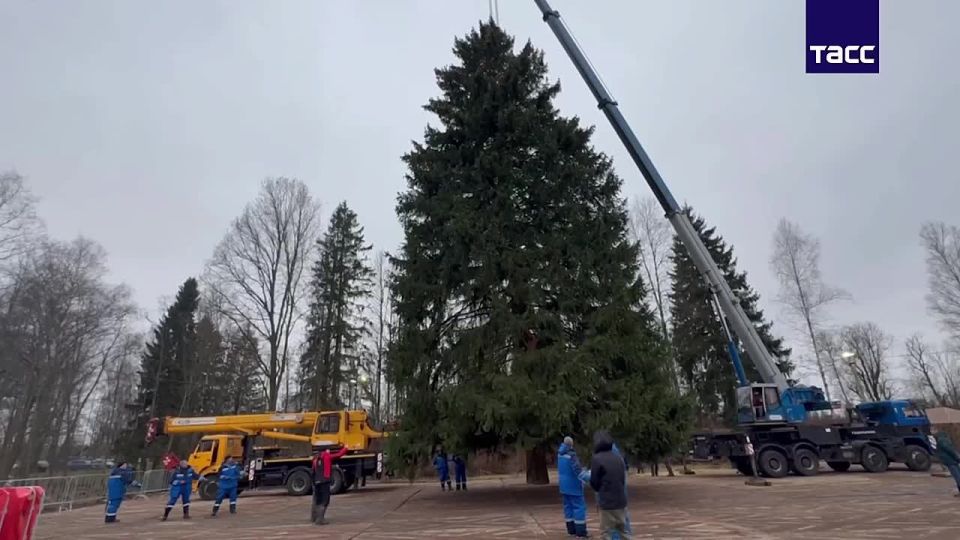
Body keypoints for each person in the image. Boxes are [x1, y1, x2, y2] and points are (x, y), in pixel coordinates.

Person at [589, 431, 630, 540]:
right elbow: (623, 478)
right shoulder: (619, 458)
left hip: (606, 502)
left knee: (605, 533)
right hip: (621, 501)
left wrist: (599, 490)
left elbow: (594, 481)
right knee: (623, 531)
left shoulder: (597, 459)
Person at [311, 444, 350, 525]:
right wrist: (345, 448)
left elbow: (313, 471)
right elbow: (339, 455)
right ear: (326, 450)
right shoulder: (327, 456)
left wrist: (314, 482)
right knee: (325, 500)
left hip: (317, 482)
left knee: (318, 500)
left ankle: (314, 517)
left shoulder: (315, 458)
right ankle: (320, 519)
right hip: (324, 481)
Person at [558, 436, 589, 538]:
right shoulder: (572, 456)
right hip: (574, 486)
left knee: (568, 508)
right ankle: (580, 533)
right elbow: (578, 472)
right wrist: (589, 476)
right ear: (571, 444)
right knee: (579, 508)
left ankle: (571, 531)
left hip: (564, 486)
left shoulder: (560, 454)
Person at [610, 443, 632, 540]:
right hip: (622, 499)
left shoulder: (605, 463)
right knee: (624, 522)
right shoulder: (620, 461)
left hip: (611, 501)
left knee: (613, 523)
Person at [932, 425, 960, 496]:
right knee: (957, 474)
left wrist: (957, 457)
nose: (931, 432)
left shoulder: (941, 440)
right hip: (951, 460)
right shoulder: (942, 438)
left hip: (950, 460)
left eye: (932, 430)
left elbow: (949, 450)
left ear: (937, 430)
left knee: (957, 475)